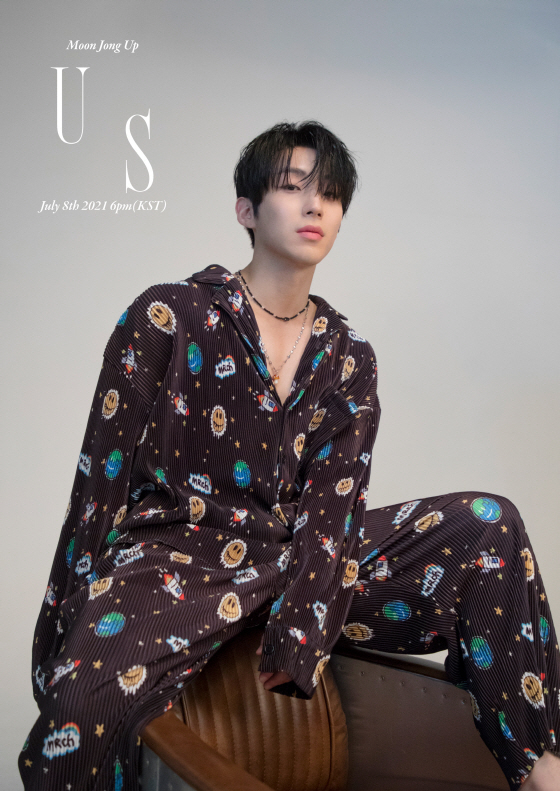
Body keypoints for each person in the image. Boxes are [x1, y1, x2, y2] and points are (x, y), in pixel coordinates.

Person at [19, 120, 560, 791]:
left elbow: (335, 505)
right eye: (292, 186)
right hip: (177, 561)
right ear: (246, 209)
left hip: (297, 557)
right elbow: (99, 481)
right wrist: (62, 627)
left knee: (489, 525)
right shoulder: (168, 315)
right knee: (82, 705)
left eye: (329, 194)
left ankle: (541, 769)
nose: (314, 206)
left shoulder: (349, 356)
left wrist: (302, 625)